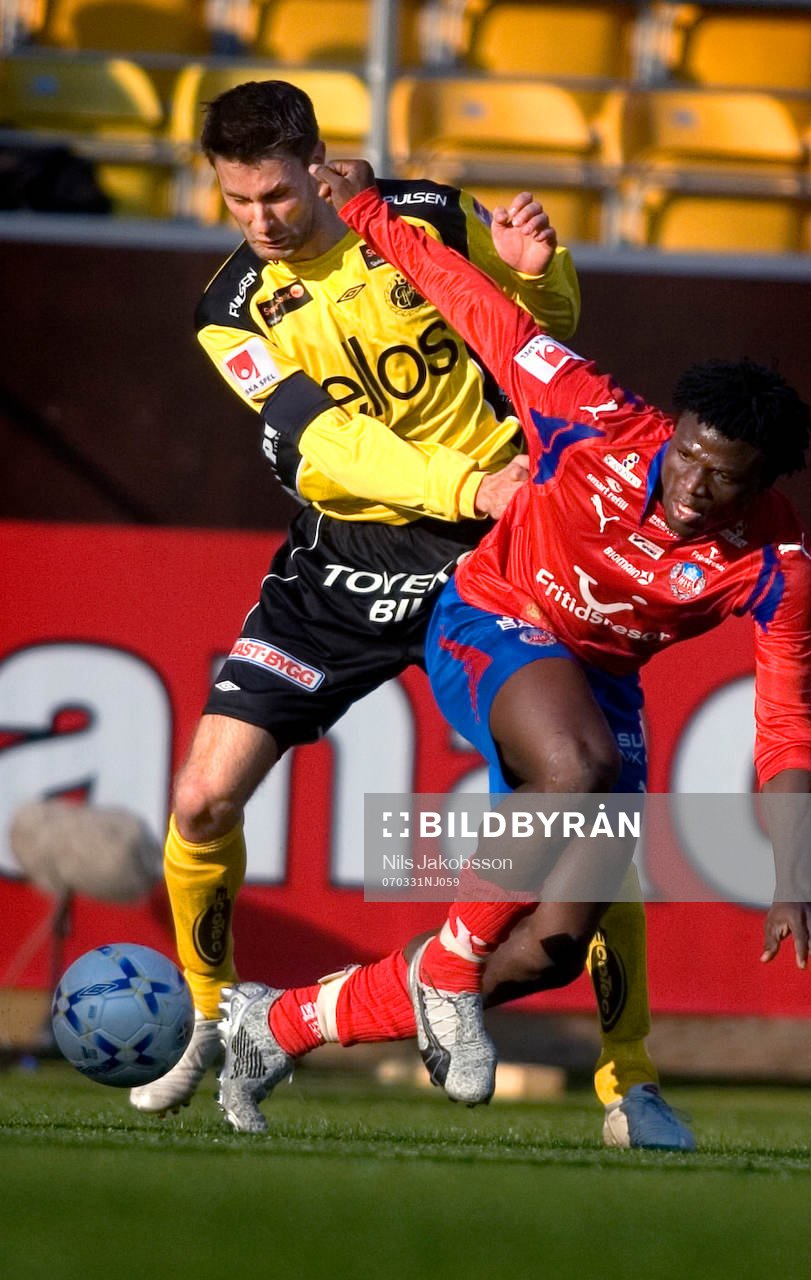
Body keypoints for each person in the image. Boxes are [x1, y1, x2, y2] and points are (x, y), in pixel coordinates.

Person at [214, 159, 811, 1138]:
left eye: (722, 481)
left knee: (552, 946)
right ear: (672, 428)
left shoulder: (777, 562)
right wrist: (370, 209)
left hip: (597, 678)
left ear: (762, 484)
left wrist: (795, 874)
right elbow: (477, 306)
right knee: (577, 765)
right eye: (686, 456)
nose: (690, 490)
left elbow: (786, 723)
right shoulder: (590, 416)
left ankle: (285, 1019)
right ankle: (454, 974)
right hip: (490, 615)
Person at [130, 79, 690, 1149]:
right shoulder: (228, 313)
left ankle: (634, 1079)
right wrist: (468, 486)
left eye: (277, 196)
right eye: (236, 201)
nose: (259, 223)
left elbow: (538, 342)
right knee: (202, 796)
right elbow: (326, 442)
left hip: (496, 553)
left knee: (590, 812)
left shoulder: (421, 217)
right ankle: (213, 1019)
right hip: (349, 556)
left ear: (316, 162)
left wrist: (543, 276)